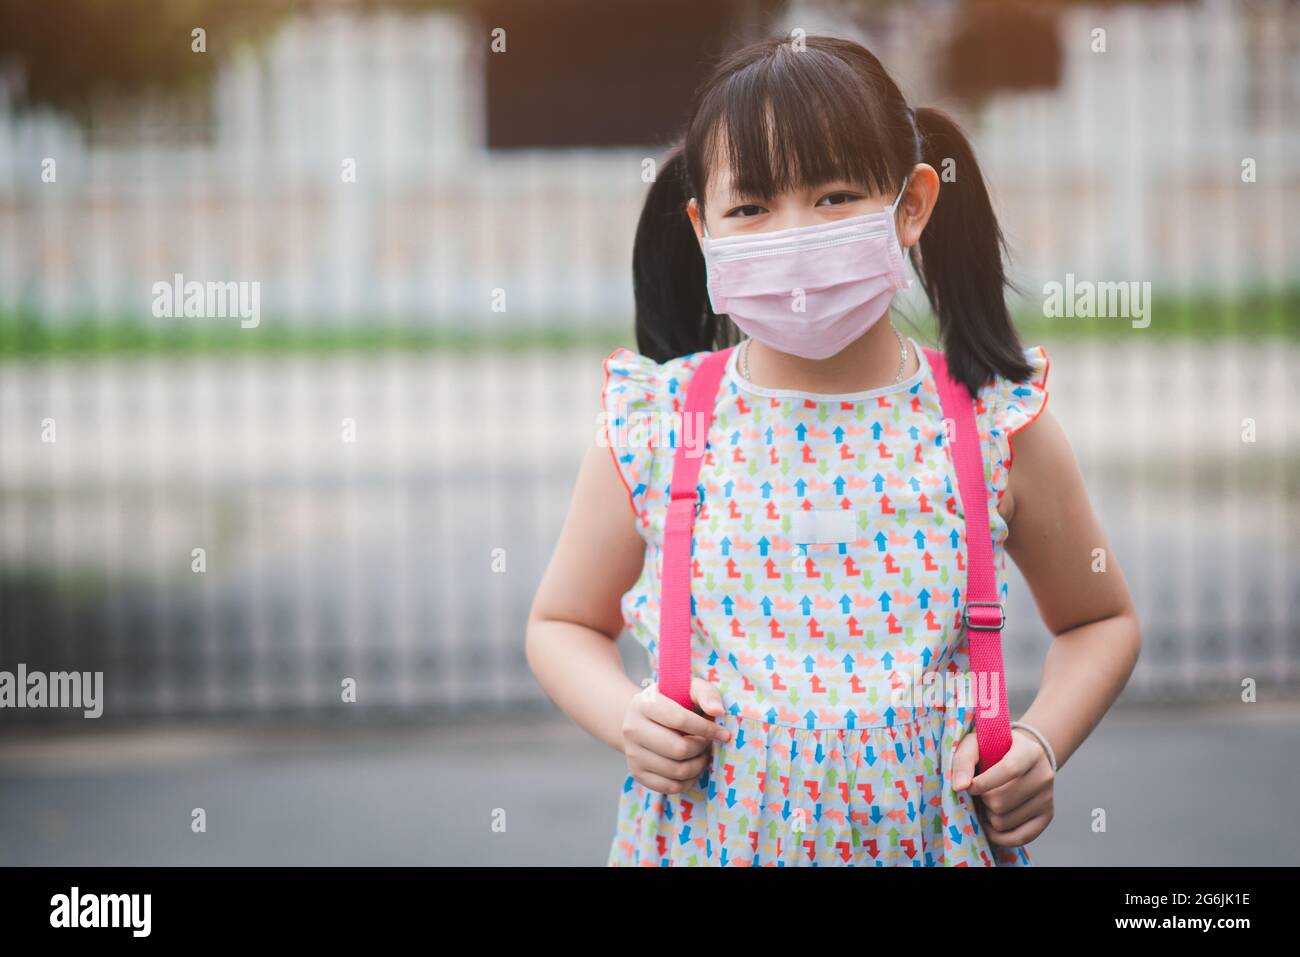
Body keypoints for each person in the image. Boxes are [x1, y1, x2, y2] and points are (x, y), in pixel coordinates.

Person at [526, 33, 1141, 866]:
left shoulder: (991, 425)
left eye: (834, 195)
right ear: (703, 228)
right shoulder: (660, 422)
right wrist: (626, 715)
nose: (793, 237)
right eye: (751, 208)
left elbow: (1100, 617)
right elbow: (561, 622)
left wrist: (1040, 739)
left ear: (913, 204)